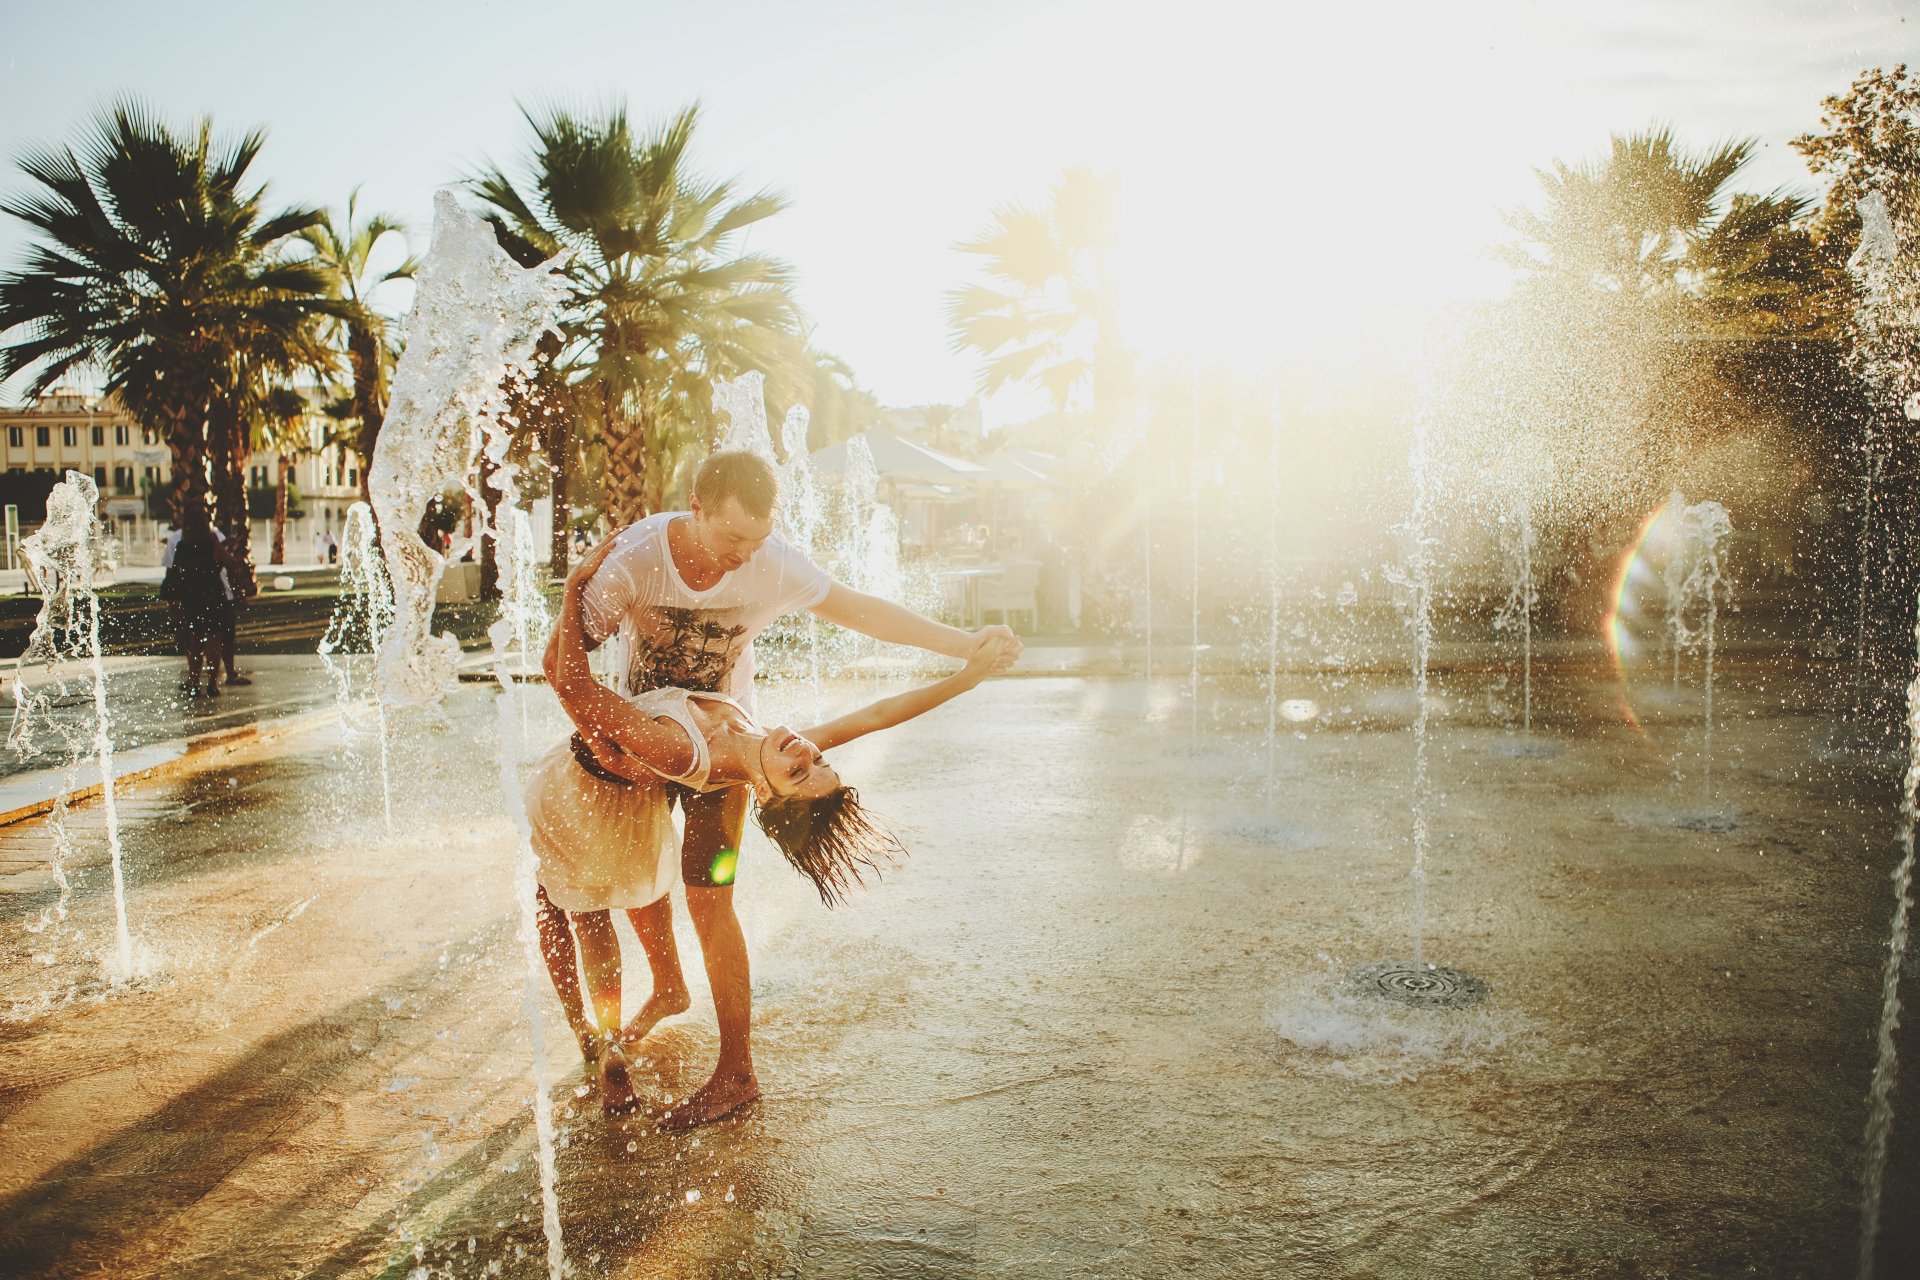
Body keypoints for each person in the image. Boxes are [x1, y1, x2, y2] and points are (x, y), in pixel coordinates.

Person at [542, 449, 1020, 1129]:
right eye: (731, 537)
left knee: (708, 902)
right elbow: (879, 715)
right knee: (629, 892)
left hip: (684, 752)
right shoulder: (637, 560)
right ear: (696, 507)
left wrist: (960, 640)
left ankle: (735, 1073)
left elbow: (860, 610)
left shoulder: (772, 575)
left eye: (757, 540)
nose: (743, 555)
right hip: (639, 749)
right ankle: (667, 992)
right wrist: (963, 670)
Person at [160, 507, 243, 697]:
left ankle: (195, 681)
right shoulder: (211, 542)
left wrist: (174, 599)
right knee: (214, 638)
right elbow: (230, 563)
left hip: (191, 596)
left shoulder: (181, 545)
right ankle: (212, 683)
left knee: (195, 640)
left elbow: (175, 572)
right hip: (212, 594)